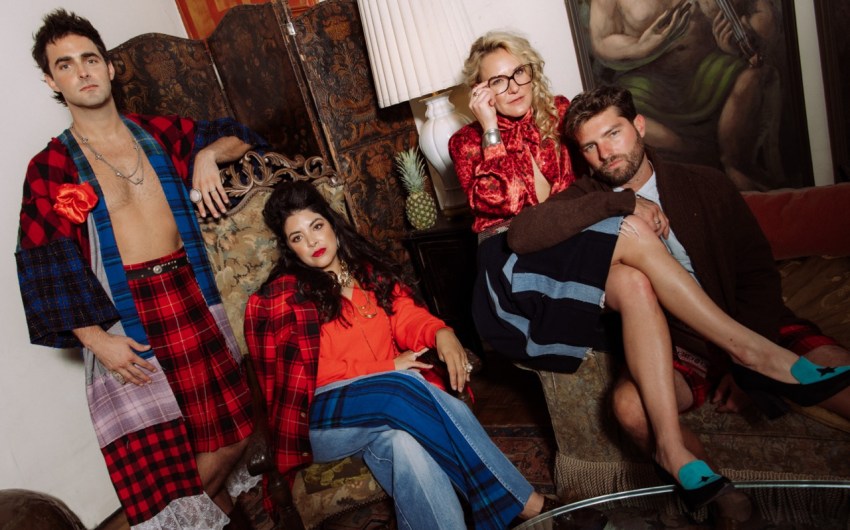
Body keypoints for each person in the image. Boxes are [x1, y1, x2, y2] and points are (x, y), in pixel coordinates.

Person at [449, 32, 850, 512]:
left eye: (519, 72)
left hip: (721, 309)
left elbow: (757, 273)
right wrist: (491, 130)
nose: (513, 86)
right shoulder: (485, 147)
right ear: (480, 90)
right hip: (530, 260)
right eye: (497, 80)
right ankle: (733, 421)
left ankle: (736, 367)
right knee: (633, 248)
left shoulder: (694, 180)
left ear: (638, 126)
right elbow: (515, 217)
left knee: (635, 280)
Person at [16, 10, 266, 529]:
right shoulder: (51, 167)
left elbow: (240, 136)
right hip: (126, 316)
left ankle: (179, 522)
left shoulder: (160, 132)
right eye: (65, 65)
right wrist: (96, 340)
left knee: (236, 431)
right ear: (52, 81)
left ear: (109, 67)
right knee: (169, 454)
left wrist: (206, 155)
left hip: (190, 296)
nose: (82, 72)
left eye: (90, 59)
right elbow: (44, 265)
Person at [243, 181, 608, 530]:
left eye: (316, 226)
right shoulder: (285, 298)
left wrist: (439, 332)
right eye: (297, 237)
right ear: (289, 249)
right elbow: (306, 376)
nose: (312, 241)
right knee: (401, 386)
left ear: (332, 224)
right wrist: (387, 367)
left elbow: (405, 315)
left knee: (405, 446)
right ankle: (525, 505)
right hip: (320, 417)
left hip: (385, 406)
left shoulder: (366, 273)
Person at [586, 0, 786, 190]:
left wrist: (740, 35)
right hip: (649, 84)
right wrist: (642, 46)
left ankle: (740, 173)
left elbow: (763, 15)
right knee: (623, 115)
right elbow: (602, 41)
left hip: (713, 70)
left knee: (750, 79)